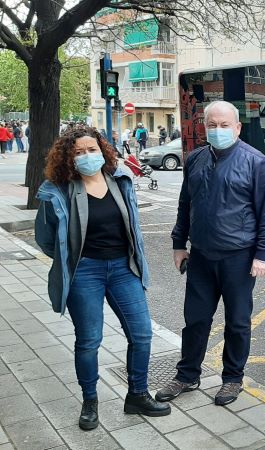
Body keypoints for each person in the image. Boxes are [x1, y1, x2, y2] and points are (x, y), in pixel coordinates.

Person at [34, 126, 171, 430]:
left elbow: (132, 225)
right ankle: (90, 401)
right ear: (68, 157)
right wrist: (71, 258)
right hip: (85, 272)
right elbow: (45, 239)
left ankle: (137, 395)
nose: (87, 156)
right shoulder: (58, 190)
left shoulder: (119, 179)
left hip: (124, 268)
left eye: (91, 149)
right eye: (79, 152)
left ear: (102, 151)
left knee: (141, 334)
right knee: (89, 340)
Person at [156, 100, 265, 406]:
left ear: (237, 128)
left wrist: (262, 255)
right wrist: (178, 244)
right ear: (204, 127)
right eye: (212, 125)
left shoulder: (256, 162)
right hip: (201, 256)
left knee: (237, 322)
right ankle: (187, 375)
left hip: (239, 258)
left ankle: (232, 379)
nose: (218, 130)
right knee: (195, 320)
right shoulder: (196, 159)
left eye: (224, 125)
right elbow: (185, 204)